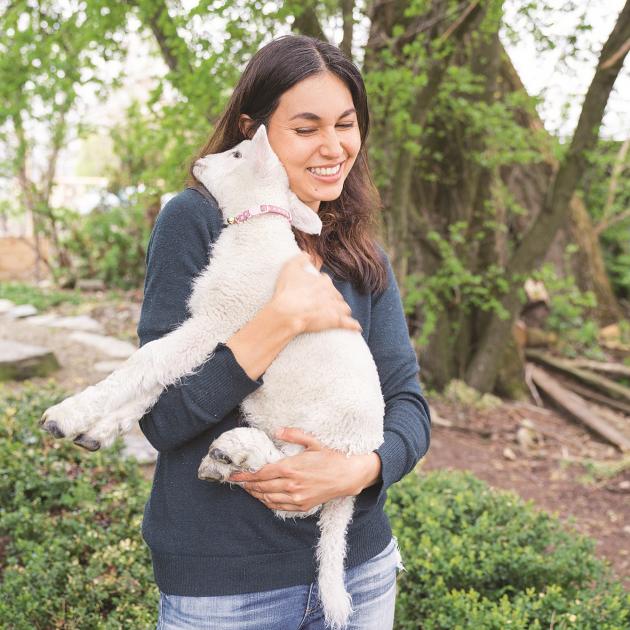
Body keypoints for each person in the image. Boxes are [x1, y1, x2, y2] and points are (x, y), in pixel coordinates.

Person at [137, 34, 431, 630]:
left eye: (346, 125)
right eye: (306, 128)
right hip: (226, 588)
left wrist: (363, 469)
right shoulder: (196, 222)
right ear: (254, 133)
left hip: (359, 571)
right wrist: (278, 322)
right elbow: (161, 419)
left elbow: (409, 404)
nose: (334, 147)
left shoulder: (358, 251)